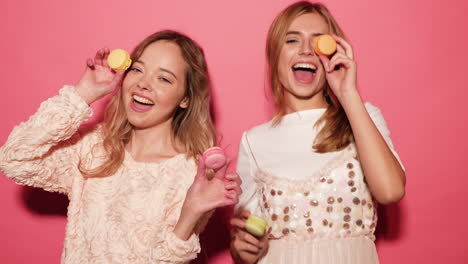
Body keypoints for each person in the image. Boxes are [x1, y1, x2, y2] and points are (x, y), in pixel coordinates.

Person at [0, 30, 241, 263]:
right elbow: (14, 160)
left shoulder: (193, 176)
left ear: (185, 99)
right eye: (137, 69)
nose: (143, 84)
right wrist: (84, 93)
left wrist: (190, 214)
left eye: (164, 78)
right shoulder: (93, 147)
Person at [230, 1, 406, 263]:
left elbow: (390, 191)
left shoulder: (362, 116)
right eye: (292, 40)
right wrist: (242, 249)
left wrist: (348, 94)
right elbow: (246, 241)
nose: (305, 51)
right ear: (274, 54)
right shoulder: (253, 141)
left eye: (317, 42)